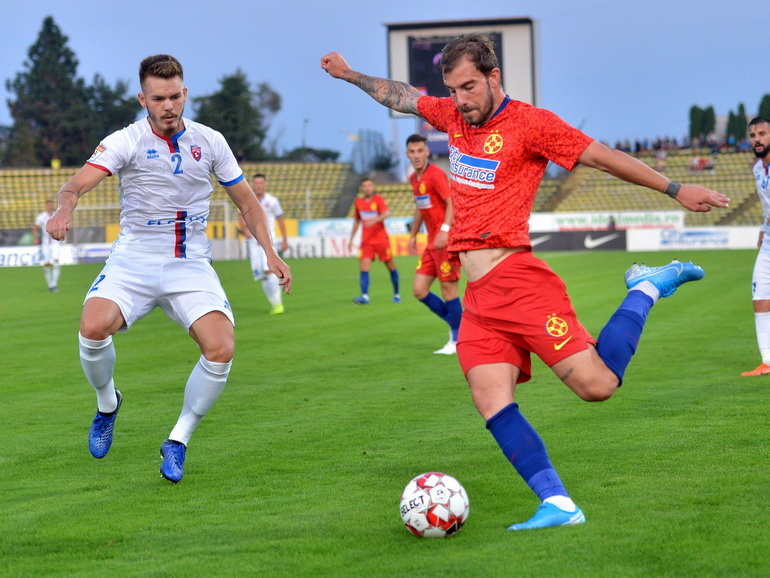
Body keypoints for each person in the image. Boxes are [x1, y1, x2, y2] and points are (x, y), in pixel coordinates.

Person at [322, 34, 729, 530]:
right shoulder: (452, 116)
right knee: (490, 398)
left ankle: (645, 286)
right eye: (453, 90)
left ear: (494, 77)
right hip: (479, 299)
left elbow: (599, 155)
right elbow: (404, 95)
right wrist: (350, 76)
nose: (461, 100)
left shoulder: (531, 123)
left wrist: (675, 187)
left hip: (517, 281)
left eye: (469, 86)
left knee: (597, 386)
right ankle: (558, 503)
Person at [46, 54, 291, 483]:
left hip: (189, 262)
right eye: (159, 98)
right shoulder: (125, 140)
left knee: (221, 348)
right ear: (143, 98)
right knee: (92, 326)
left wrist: (270, 251)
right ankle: (107, 404)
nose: (169, 105)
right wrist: (64, 210)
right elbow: (75, 185)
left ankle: (177, 439)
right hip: (134, 259)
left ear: (185, 93)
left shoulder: (210, 141)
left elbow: (247, 202)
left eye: (175, 95)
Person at [405, 134, 462, 354]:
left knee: (449, 291)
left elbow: (452, 203)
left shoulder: (436, 175)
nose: (416, 155)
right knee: (419, 290)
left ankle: (457, 340)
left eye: (420, 151)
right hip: (430, 243)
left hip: (445, 241)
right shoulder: (414, 178)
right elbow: (420, 206)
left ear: (427, 151)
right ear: (407, 154)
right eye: (412, 152)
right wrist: (412, 235)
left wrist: (445, 231)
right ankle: (458, 324)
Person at [741, 117, 770, 376]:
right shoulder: (758, 168)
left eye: (762, 133)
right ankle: (767, 361)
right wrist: (763, 228)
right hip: (769, 242)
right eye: (753, 135)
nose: (757, 139)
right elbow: (766, 204)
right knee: (760, 298)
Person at [238, 173, 289, 315]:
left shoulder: (272, 201)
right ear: (252, 185)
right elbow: (241, 215)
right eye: (256, 183)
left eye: (261, 183)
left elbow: (281, 220)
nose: (258, 185)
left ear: (265, 185)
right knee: (262, 275)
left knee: (268, 270)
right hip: (253, 243)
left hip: (268, 241)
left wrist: (285, 239)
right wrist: (245, 230)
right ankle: (274, 304)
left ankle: (278, 304)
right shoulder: (248, 200)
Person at [348, 177, 400, 304]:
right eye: (364, 186)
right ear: (361, 188)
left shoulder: (378, 200)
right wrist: (351, 239)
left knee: (390, 266)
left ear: (373, 187)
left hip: (381, 240)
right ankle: (365, 296)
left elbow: (385, 213)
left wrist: (374, 221)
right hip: (366, 241)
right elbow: (356, 220)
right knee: (364, 267)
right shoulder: (358, 202)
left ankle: (396, 293)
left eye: (369, 185)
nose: (367, 188)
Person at [33, 199, 63, 292]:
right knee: (46, 263)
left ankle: (54, 284)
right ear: (46, 206)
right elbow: (35, 228)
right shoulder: (41, 217)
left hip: (55, 241)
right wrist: (35, 238)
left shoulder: (57, 215)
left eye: (51, 205)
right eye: (48, 205)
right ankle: (50, 285)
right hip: (45, 243)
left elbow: (62, 226)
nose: (50, 206)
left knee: (56, 262)